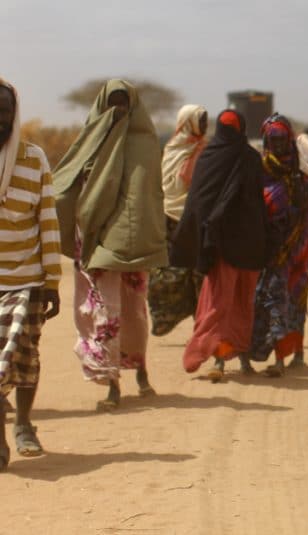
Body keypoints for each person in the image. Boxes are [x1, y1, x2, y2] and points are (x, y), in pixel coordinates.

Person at [52, 79, 166, 411]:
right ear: (101, 106)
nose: (117, 110)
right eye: (112, 103)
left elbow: (149, 195)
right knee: (105, 311)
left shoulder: (144, 144)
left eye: (123, 103)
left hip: (132, 240)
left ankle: (141, 371)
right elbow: (67, 182)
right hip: (93, 239)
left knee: (134, 311)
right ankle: (113, 382)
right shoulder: (90, 140)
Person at [171, 110, 267, 381]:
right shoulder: (250, 158)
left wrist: (198, 237)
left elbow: (198, 203)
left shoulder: (209, 157)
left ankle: (220, 356)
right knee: (240, 301)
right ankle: (225, 359)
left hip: (224, 242)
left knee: (219, 301)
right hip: (246, 241)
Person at [0, 78, 62, 469]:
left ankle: (23, 423)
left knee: (22, 355)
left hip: (27, 279)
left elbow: (48, 222)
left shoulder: (34, 159)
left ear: (14, 113)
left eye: (4, 108)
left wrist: (52, 281)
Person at [249, 114, 308, 377]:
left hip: (299, 245)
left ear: (289, 140)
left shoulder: (302, 169)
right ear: (265, 140)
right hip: (272, 247)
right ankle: (279, 357)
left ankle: (296, 353)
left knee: (297, 296)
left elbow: (307, 206)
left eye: (281, 139)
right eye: (272, 140)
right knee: (276, 298)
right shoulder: (260, 169)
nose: (277, 145)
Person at [147, 104, 207, 336]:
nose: (202, 127)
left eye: (204, 121)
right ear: (188, 123)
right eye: (199, 121)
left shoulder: (189, 148)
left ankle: (199, 324)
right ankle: (168, 316)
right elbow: (177, 180)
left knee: (197, 274)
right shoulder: (175, 148)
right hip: (174, 218)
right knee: (174, 272)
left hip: (188, 217)